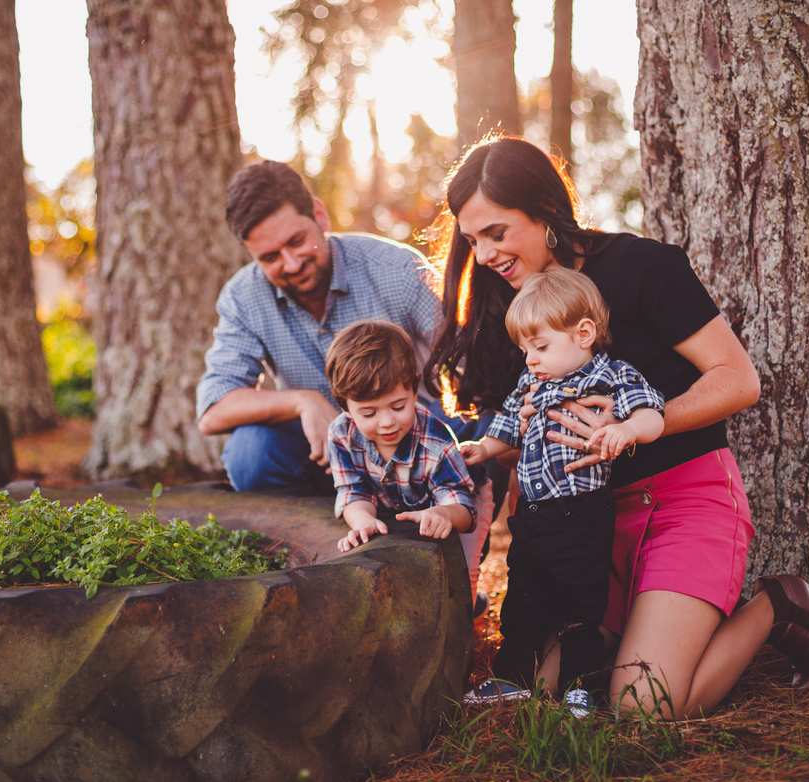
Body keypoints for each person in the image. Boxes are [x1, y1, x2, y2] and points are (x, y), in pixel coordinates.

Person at [425, 136, 809, 720]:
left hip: (686, 501)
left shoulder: (640, 267)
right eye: (473, 240)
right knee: (541, 694)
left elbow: (738, 379)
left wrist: (638, 425)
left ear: (545, 211)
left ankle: (779, 604)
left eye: (498, 232)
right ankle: (635, 636)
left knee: (643, 709)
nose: (486, 253)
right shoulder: (511, 308)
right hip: (590, 525)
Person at [459, 268, 665, 718]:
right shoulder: (532, 384)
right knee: (523, 601)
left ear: (584, 333)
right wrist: (484, 447)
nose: (530, 359)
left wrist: (625, 430)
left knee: (580, 605)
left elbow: (653, 415)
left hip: (581, 515)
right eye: (525, 349)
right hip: (532, 517)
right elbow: (510, 427)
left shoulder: (609, 377)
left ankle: (581, 687)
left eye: (540, 346)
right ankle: (511, 679)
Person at [195, 161, 441, 494]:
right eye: (270, 257)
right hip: (326, 453)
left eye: (297, 241)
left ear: (319, 215)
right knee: (249, 452)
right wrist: (303, 401)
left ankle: (455, 530)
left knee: (479, 422)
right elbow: (213, 411)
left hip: (419, 441)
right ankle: (318, 531)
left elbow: (470, 362)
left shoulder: (396, 269)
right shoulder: (244, 298)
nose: (292, 264)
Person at [325, 321, 492, 603]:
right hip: (397, 502)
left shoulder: (435, 443)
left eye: (398, 406)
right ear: (345, 407)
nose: (387, 422)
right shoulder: (342, 433)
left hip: (459, 501)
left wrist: (444, 514)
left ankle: (471, 609)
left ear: (414, 390)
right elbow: (354, 490)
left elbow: (462, 507)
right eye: (369, 413)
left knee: (463, 574)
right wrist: (363, 520)